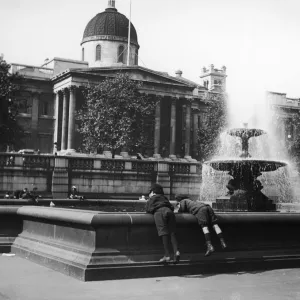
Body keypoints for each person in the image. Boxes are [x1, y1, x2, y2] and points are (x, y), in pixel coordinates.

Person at [145, 183, 180, 264]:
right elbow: (171, 207)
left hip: (159, 212)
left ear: (153, 192)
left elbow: (148, 209)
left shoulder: (152, 198)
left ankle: (167, 255)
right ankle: (176, 251)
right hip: (169, 212)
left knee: (163, 232)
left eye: (150, 192)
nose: (149, 194)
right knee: (172, 232)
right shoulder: (164, 198)